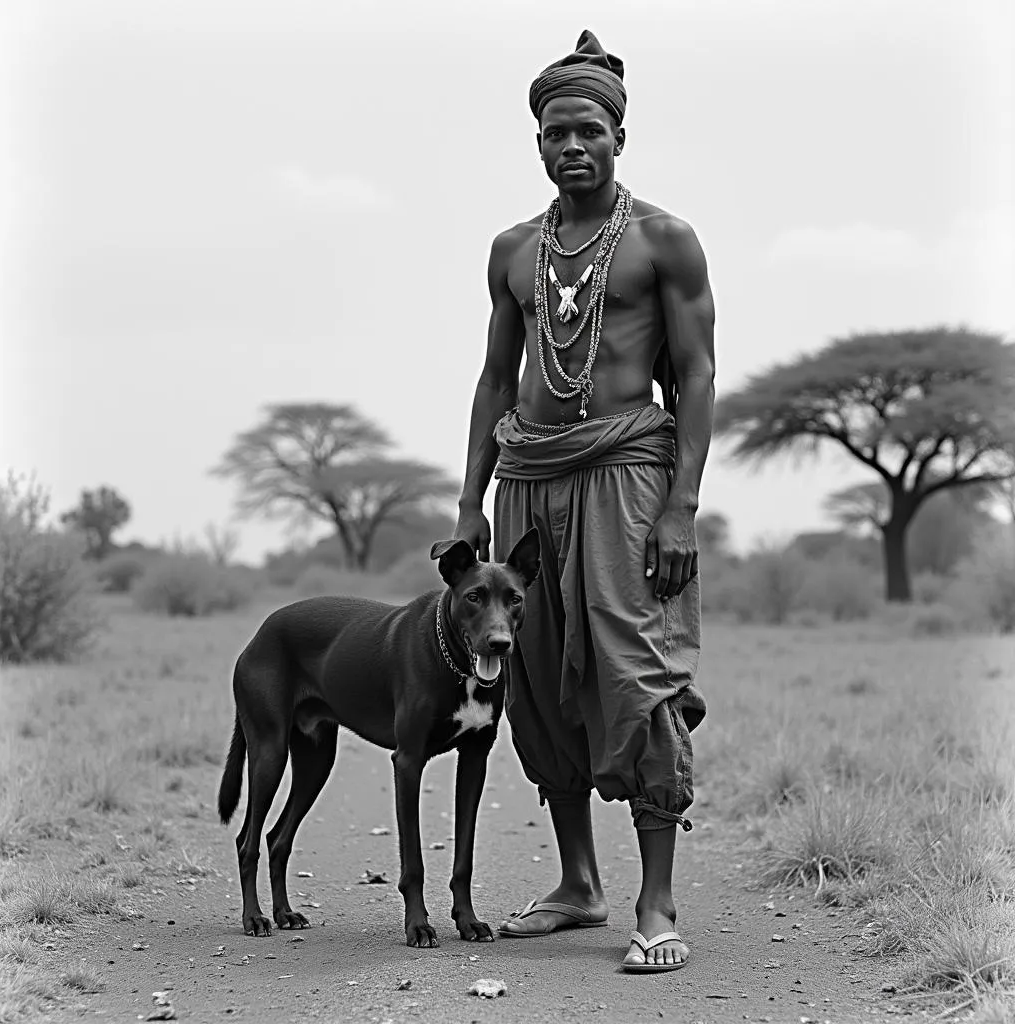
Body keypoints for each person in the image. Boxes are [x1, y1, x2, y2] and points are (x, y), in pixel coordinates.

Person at [453, 28, 715, 973]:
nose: (574, 146)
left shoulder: (663, 242)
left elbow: (696, 375)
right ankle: (579, 883)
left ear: (617, 136)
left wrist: (681, 506)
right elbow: (493, 381)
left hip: (626, 478)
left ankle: (655, 901)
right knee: (539, 673)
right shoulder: (513, 251)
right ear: (537, 142)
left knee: (635, 675)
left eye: (590, 131)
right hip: (527, 479)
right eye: (557, 132)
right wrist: (469, 499)